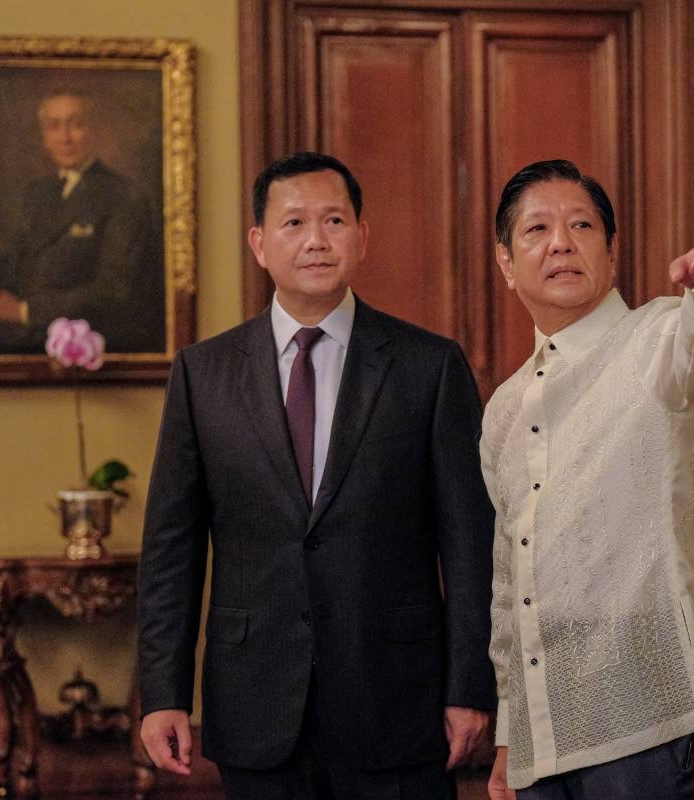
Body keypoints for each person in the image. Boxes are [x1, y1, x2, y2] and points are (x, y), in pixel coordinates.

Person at [137, 151, 495, 800]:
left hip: (398, 702)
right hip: (255, 703)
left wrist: (471, 687)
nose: (315, 240)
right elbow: (171, 548)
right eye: (294, 222)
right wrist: (161, 694)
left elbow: (470, 544)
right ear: (259, 243)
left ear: (362, 237)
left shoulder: (429, 367)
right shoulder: (203, 374)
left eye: (333, 220)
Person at [482, 160, 694, 799]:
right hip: (541, 735)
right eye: (537, 229)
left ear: (611, 252)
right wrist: (508, 732)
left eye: (581, 225)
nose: (560, 242)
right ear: (506, 262)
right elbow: (507, 577)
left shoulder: (657, 339)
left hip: (652, 727)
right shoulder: (503, 407)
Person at [0, 90, 164, 354]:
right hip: (27, 342)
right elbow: (15, 262)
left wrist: (26, 311)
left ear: (94, 130)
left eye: (75, 124)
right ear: (44, 138)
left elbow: (114, 287)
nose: (65, 137)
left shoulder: (124, 196)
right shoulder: (38, 192)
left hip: (97, 343)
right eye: (54, 126)